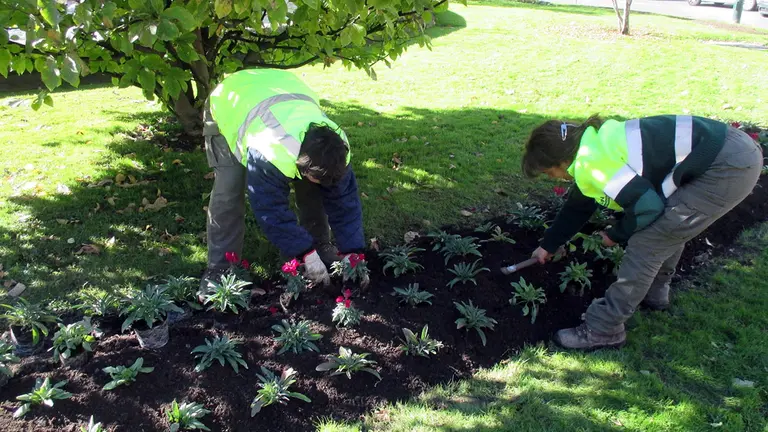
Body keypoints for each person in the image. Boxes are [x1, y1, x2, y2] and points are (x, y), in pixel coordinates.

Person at [522, 114, 763, 350]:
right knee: (667, 226)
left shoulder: (592, 164)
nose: (552, 177)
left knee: (649, 240)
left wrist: (616, 234)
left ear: (560, 161)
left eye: (547, 172)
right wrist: (549, 244)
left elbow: (648, 207)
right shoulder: (594, 143)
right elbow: (579, 204)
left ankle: (603, 328)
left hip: (725, 167)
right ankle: (655, 292)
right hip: (730, 147)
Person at [201, 68, 367, 289]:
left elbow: (345, 203)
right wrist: (302, 252)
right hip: (231, 101)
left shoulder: (337, 147)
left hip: (283, 89)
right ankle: (219, 269)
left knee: (313, 187)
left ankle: (320, 246)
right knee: (229, 190)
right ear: (302, 164)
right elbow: (270, 210)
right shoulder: (268, 151)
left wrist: (353, 252)